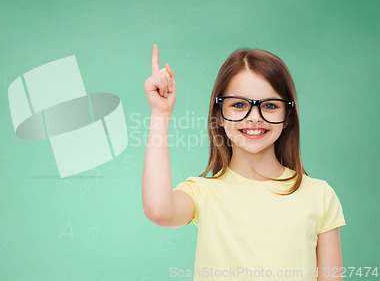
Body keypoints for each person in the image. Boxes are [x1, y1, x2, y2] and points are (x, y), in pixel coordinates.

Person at [142, 44, 346, 281]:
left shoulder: (319, 195)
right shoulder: (203, 193)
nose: (254, 117)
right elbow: (159, 211)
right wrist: (160, 114)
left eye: (270, 106)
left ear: (288, 116)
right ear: (218, 114)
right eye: (239, 104)